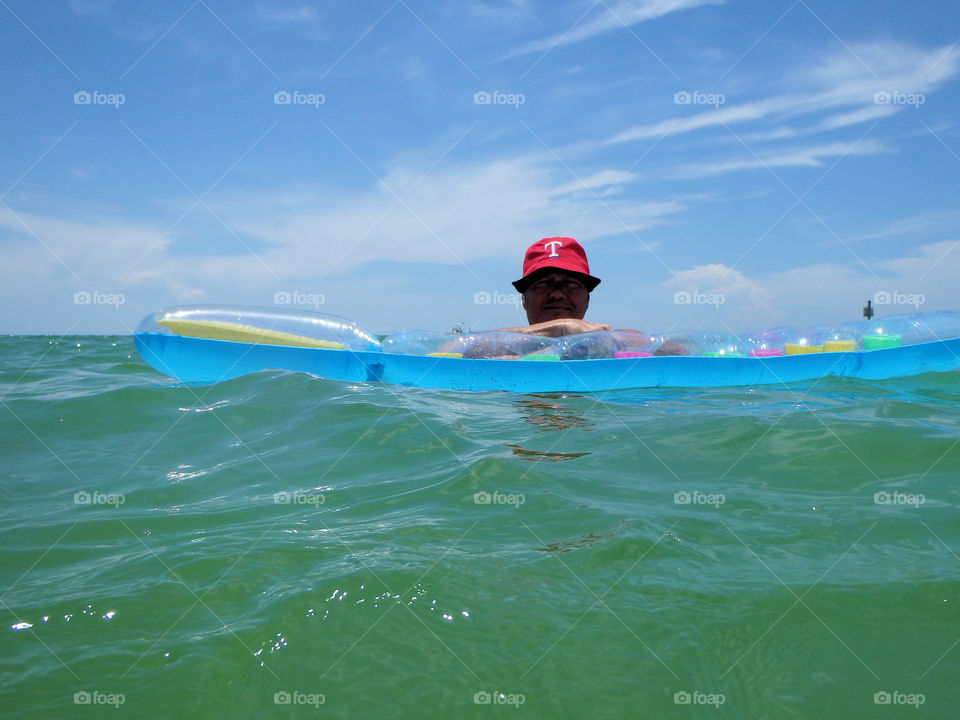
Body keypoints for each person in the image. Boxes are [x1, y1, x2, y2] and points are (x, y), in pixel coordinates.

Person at [498, 237, 614, 337]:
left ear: (587, 299)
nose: (557, 294)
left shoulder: (608, 348)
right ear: (524, 299)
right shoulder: (498, 355)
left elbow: (630, 341)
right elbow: (481, 343)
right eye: (543, 284)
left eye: (571, 284)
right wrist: (560, 329)